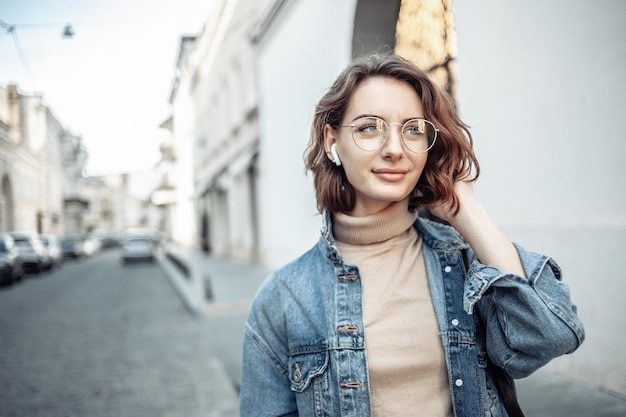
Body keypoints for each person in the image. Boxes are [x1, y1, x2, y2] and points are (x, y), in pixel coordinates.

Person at [239, 53, 585, 417]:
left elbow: (550, 337)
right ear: (331, 141)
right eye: (369, 127)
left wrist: (465, 210)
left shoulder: (465, 266)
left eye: (413, 129)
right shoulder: (285, 298)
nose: (394, 149)